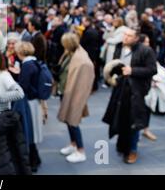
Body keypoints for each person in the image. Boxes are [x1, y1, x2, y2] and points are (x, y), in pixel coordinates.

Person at [103, 28, 157, 164]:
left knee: (134, 122)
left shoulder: (146, 50)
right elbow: (116, 65)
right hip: (120, 88)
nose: (125, 37)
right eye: (124, 34)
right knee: (121, 118)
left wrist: (133, 70)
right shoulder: (119, 47)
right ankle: (123, 146)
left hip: (136, 91)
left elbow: (152, 69)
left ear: (136, 38)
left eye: (129, 35)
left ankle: (133, 150)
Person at [57, 32, 95, 163]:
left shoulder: (82, 60)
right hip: (66, 92)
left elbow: (85, 82)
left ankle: (81, 150)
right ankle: (73, 144)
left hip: (75, 95)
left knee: (73, 121)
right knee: (68, 120)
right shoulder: (69, 53)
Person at [15, 41, 47, 172]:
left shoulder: (27, 65)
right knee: (33, 131)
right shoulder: (34, 63)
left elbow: (23, 86)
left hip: (30, 102)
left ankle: (33, 161)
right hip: (35, 101)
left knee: (30, 131)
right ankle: (35, 158)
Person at [138, 34, 157, 142]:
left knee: (147, 108)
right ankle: (137, 131)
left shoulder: (149, 52)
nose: (148, 44)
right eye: (146, 42)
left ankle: (145, 129)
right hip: (137, 85)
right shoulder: (136, 52)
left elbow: (154, 68)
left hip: (147, 84)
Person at [80, 16, 101, 92]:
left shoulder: (88, 32)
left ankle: (91, 86)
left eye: (84, 21)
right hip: (93, 53)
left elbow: (83, 43)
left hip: (90, 53)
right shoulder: (93, 30)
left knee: (90, 71)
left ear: (88, 22)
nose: (82, 23)